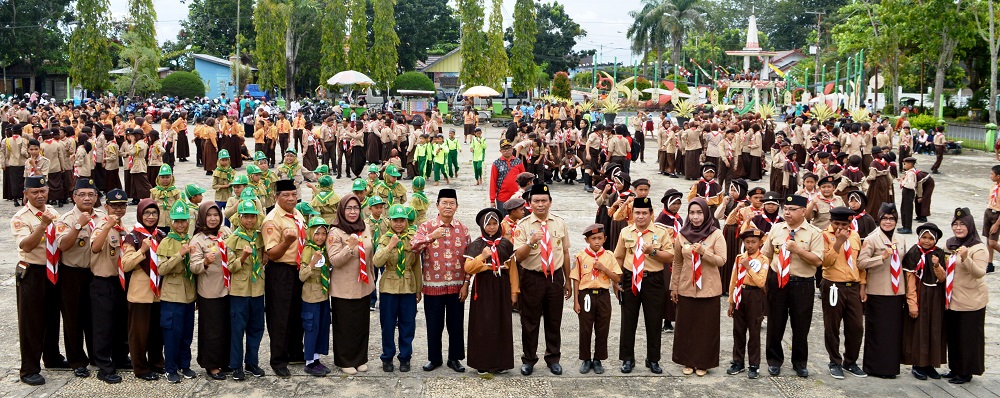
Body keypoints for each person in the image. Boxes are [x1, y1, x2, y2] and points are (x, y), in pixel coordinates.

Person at [511, 182, 571, 376]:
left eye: (544, 200)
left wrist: (568, 280)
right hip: (532, 277)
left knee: (554, 320)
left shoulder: (560, 222)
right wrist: (530, 241)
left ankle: (553, 358)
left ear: (550, 202)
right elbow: (518, 257)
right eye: (536, 201)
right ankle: (529, 359)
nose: (540, 204)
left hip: (555, 277)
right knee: (530, 321)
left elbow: (566, 252)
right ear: (529, 203)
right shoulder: (523, 225)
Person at [11, 176, 66, 385]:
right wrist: (42, 225)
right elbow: (26, 245)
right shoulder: (21, 217)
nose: (40, 195)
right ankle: (29, 369)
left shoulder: (53, 212)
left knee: (52, 316)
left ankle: (52, 357)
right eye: (35, 192)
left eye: (43, 190)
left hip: (53, 269)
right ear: (26, 194)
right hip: (32, 271)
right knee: (31, 322)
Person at [762, 194, 824, 378]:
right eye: (786, 209)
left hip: (802, 284)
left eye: (792, 210)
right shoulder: (777, 229)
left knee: (801, 325)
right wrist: (764, 280)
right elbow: (766, 255)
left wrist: (798, 250)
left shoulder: (814, 233)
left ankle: (800, 362)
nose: (787, 213)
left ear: (804, 211)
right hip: (777, 281)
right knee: (775, 322)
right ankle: (774, 361)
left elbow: (818, 260)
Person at [411, 188, 471, 373]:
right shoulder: (426, 227)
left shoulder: (463, 229)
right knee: (434, 325)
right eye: (444, 203)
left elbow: (469, 258)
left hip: (456, 286)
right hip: (432, 287)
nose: (448, 206)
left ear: (456, 207)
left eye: (451, 203)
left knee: (455, 325)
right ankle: (434, 359)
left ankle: (455, 358)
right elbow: (413, 247)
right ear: (437, 205)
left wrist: (466, 283)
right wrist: (431, 237)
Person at [614, 197, 673, 374]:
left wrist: (652, 251)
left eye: (644, 213)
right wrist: (616, 281)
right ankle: (627, 359)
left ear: (651, 214)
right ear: (632, 214)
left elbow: (670, 257)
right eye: (637, 213)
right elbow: (618, 256)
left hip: (653, 280)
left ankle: (653, 359)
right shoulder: (625, 232)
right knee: (628, 320)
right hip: (629, 277)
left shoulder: (661, 232)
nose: (640, 217)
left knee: (654, 320)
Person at [54, 178, 105, 377]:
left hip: (96, 273)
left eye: (91, 194)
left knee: (95, 317)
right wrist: (77, 226)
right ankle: (77, 360)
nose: (87, 198)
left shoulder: (102, 216)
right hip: (72, 274)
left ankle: (96, 355)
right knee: (73, 319)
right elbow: (63, 246)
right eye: (82, 194)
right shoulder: (66, 219)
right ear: (74, 196)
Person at [670, 198, 726, 376]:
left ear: (706, 213)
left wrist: (704, 253)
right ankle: (687, 360)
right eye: (692, 213)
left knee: (705, 328)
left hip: (708, 289)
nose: (695, 217)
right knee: (686, 326)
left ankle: (703, 362)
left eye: (699, 213)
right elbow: (677, 262)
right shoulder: (682, 234)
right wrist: (674, 287)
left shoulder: (715, 234)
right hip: (687, 286)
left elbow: (722, 261)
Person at [260, 179, 306, 377]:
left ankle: (295, 352)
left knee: (297, 313)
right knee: (280, 316)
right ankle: (278, 359)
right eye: (286, 195)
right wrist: (287, 242)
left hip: (298, 269)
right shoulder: (272, 220)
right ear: (276, 197)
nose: (291, 198)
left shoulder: (297, 213)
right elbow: (272, 254)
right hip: (280, 271)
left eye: (293, 194)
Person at [327, 193, 376, 375]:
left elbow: (370, 256)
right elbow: (334, 260)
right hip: (344, 288)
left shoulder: (365, 228)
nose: (353, 212)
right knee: (345, 326)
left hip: (363, 285)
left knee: (361, 325)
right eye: (349, 208)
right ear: (342, 210)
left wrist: (371, 278)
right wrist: (350, 247)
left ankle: (360, 358)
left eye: (356, 208)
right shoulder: (335, 232)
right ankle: (345, 360)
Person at [857, 203, 906, 378]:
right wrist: (881, 257)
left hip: (897, 291)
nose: (888, 222)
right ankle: (874, 367)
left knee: (892, 331)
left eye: (892, 219)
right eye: (884, 218)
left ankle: (891, 368)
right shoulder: (872, 239)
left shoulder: (900, 239)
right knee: (877, 330)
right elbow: (861, 263)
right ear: (879, 219)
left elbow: (903, 263)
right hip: (877, 290)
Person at [88, 188, 131, 384]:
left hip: (121, 282)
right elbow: (95, 248)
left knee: (121, 322)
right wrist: (107, 227)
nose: (119, 209)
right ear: (106, 207)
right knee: (103, 326)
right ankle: (104, 365)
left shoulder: (126, 228)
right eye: (115, 206)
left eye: (122, 205)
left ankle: (121, 357)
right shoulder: (100, 226)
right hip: (103, 282)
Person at [818, 206, 866, 380]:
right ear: (831, 222)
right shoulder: (824, 236)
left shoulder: (855, 236)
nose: (840, 227)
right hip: (833, 285)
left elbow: (859, 263)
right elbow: (825, 262)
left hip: (853, 285)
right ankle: (834, 361)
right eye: (836, 223)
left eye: (844, 224)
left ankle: (850, 361)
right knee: (832, 325)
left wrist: (862, 285)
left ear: (850, 223)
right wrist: (838, 242)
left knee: (856, 327)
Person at [373, 204, 422, 373]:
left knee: (407, 324)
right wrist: (390, 246)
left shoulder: (412, 238)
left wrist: (418, 289)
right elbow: (377, 261)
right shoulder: (385, 238)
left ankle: (405, 357)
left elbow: (416, 266)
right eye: (395, 220)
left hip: (408, 285)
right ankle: (387, 357)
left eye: (402, 220)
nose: (399, 224)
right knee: (387, 324)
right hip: (389, 286)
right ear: (390, 221)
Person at [942, 207, 989, 384]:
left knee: (968, 338)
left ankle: (966, 371)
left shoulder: (978, 248)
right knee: (953, 336)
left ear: (970, 226)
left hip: (971, 301)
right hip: (952, 299)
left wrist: (966, 258)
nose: (958, 228)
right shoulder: (950, 244)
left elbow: (979, 273)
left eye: (962, 224)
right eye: (955, 224)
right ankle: (954, 368)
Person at [189, 202, 233, 380]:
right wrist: (205, 262)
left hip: (229, 288)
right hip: (210, 290)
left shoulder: (226, 233)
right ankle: (212, 364)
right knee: (212, 329)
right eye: (209, 215)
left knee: (226, 327)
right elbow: (194, 267)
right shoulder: (198, 240)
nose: (213, 218)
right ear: (202, 217)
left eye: (216, 215)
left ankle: (225, 360)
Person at [225, 200, 267, 380]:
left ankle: (252, 362)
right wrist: (243, 257)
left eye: (252, 216)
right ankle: (236, 365)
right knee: (237, 329)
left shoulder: (260, 237)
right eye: (246, 217)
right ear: (239, 218)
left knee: (256, 327)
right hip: (239, 291)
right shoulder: (233, 239)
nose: (249, 220)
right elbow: (230, 267)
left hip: (257, 288)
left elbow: (266, 254)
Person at [571, 224, 619, 375]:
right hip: (586, 295)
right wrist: (576, 301)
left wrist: (604, 268)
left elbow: (617, 277)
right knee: (585, 328)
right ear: (587, 240)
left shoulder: (609, 256)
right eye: (593, 239)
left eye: (600, 238)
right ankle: (586, 359)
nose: (597, 242)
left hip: (603, 295)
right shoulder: (580, 256)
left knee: (602, 327)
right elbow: (576, 278)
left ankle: (598, 359)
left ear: (605, 239)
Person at [156, 201, 196, 383]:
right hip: (172, 295)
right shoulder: (166, 241)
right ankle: (170, 367)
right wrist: (179, 254)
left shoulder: (190, 239)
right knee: (172, 334)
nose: (181, 225)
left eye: (184, 221)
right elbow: (162, 269)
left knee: (187, 333)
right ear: (171, 222)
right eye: (177, 221)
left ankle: (184, 364)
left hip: (188, 294)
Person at [901, 223, 947, 380]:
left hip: (935, 297)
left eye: (930, 238)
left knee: (934, 328)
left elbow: (942, 279)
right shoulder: (914, 253)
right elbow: (910, 280)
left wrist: (936, 265)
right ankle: (918, 364)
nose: (927, 241)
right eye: (924, 238)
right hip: (920, 296)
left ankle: (930, 364)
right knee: (919, 330)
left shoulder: (939, 254)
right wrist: (912, 304)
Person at [727, 228, 769, 379]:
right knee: (738, 330)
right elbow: (733, 279)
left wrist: (748, 267)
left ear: (760, 243)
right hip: (740, 293)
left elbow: (761, 282)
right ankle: (738, 361)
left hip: (755, 296)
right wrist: (731, 301)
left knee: (754, 330)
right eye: (747, 242)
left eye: (754, 242)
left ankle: (754, 364)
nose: (750, 245)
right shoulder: (739, 258)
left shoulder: (763, 260)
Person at [298, 217, 332, 376]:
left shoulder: (324, 249)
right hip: (311, 296)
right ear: (310, 233)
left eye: (323, 233)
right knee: (311, 328)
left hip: (324, 295)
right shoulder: (308, 250)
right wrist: (312, 263)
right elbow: (302, 276)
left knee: (322, 326)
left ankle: (317, 359)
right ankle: (309, 362)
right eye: (316, 233)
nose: (320, 237)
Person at [489, 139, 526, 210]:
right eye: (504, 149)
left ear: (512, 149)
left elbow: (524, 178)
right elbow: (493, 182)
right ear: (500, 151)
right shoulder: (496, 164)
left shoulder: (518, 162)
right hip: (502, 198)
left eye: (509, 149)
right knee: (503, 219)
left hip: (517, 196)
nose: (507, 151)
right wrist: (492, 200)